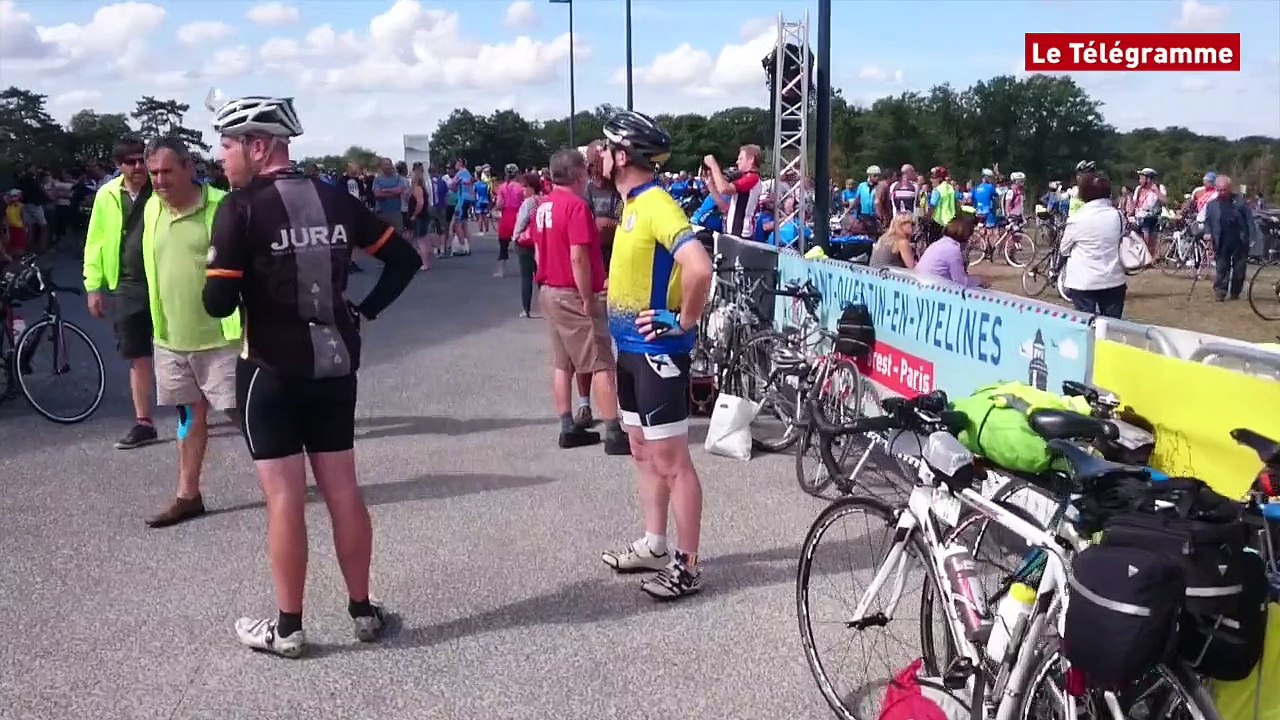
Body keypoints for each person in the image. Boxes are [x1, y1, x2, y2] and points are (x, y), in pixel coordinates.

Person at [201, 94, 421, 657]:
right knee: (343, 488)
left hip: (269, 369)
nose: (221, 158)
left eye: (227, 146)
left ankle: (289, 628)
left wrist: (220, 268)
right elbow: (405, 260)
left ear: (257, 146)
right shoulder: (337, 198)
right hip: (335, 365)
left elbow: (217, 303)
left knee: (284, 498)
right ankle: (363, 611)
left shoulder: (239, 208)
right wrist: (365, 311)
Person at [596, 110, 713, 600]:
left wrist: (683, 320)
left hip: (657, 352)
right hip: (629, 348)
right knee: (641, 449)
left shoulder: (657, 204)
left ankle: (688, 565)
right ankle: (654, 543)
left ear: (622, 157)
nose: (599, 156)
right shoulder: (632, 204)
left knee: (672, 461)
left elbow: (699, 267)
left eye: (606, 148)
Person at [139, 137, 242, 528]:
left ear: (189, 167)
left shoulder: (224, 207)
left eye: (167, 171)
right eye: (153, 173)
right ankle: (188, 496)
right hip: (171, 339)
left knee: (246, 416)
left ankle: (288, 479)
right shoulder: (152, 208)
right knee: (188, 416)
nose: (159, 180)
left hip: (222, 339)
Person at [530, 149, 628, 455]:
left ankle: (567, 425)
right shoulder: (575, 206)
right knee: (600, 360)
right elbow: (579, 257)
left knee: (563, 362)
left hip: (549, 288)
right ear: (578, 174)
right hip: (572, 292)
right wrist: (587, 298)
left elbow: (537, 251)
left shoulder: (542, 205)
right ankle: (613, 431)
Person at [83, 136, 161, 450]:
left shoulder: (161, 188)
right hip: (126, 284)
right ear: (119, 165)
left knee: (179, 351)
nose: (139, 166)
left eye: (143, 159)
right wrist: (93, 286)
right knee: (137, 354)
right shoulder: (107, 195)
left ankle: (193, 412)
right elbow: (95, 241)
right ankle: (144, 422)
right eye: (131, 161)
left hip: (163, 280)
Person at [1060, 172, 1126, 318]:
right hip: (1114, 279)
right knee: (1112, 325)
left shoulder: (1077, 219)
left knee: (1086, 324)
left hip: (1083, 281)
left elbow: (1064, 249)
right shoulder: (1118, 216)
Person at [1204, 174, 1255, 302]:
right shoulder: (1212, 205)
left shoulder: (1240, 202)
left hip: (1239, 239)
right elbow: (1208, 222)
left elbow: (1249, 220)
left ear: (1229, 188)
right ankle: (1220, 292)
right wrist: (1207, 232)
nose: (1222, 192)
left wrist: (1252, 237)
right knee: (1222, 268)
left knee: (1239, 269)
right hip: (1221, 240)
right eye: (1219, 190)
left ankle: (1235, 292)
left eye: (1224, 190)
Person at [702, 144, 762, 239]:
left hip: (741, 234)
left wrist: (714, 165)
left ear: (751, 159)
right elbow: (725, 208)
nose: (737, 162)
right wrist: (710, 185)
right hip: (734, 232)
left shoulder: (752, 178)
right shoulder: (746, 178)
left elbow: (724, 189)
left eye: (741, 158)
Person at [915, 214, 989, 288]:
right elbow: (961, 282)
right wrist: (979, 280)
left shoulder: (939, 243)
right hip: (931, 288)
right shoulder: (953, 250)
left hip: (921, 284)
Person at [512, 172, 541, 317]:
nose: (522, 190)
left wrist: (515, 237)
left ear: (531, 187)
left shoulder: (528, 202)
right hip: (539, 242)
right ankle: (545, 306)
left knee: (526, 277)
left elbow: (521, 222)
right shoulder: (543, 200)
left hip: (525, 243)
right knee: (541, 276)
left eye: (525, 187)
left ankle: (526, 308)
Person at [495, 163, 524, 277]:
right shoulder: (520, 187)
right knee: (523, 245)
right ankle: (527, 269)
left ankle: (501, 270)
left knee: (503, 245)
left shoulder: (502, 187)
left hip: (506, 217)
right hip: (518, 216)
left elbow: (499, 204)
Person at [1133, 168, 1163, 260]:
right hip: (1140, 217)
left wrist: (1157, 191)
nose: (1140, 180)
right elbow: (1134, 203)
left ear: (1148, 179)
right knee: (1144, 238)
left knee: (1152, 240)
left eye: (1141, 178)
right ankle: (1145, 258)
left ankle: (1150, 259)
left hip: (1153, 218)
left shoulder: (1159, 187)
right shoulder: (1138, 189)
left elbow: (1165, 201)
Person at [408, 162, 431, 270]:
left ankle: (424, 263)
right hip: (424, 215)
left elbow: (420, 203)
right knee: (423, 240)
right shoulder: (423, 187)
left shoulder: (417, 188)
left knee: (420, 240)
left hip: (419, 216)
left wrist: (414, 214)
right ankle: (424, 262)